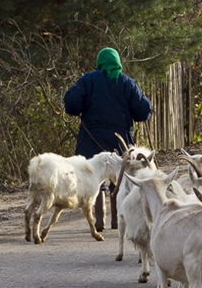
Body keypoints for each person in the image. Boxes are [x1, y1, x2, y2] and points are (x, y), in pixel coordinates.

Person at [64, 47, 152, 231]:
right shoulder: (127, 83)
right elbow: (144, 111)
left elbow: (71, 104)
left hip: (90, 140)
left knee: (94, 178)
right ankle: (117, 221)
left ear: (99, 63)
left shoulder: (88, 81)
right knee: (119, 180)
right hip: (120, 141)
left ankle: (99, 221)